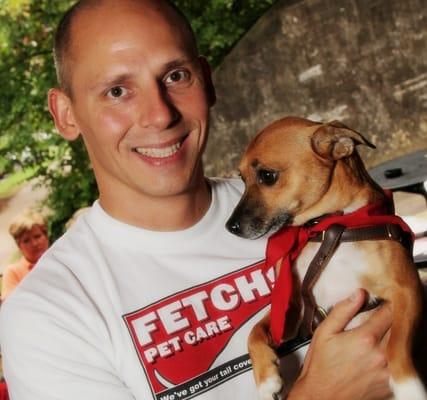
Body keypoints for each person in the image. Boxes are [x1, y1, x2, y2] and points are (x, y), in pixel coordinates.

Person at [0, 1, 393, 399]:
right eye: (117, 91)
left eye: (175, 76)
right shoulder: (48, 315)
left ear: (206, 80)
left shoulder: (301, 202)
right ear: (65, 114)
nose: (159, 115)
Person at [1, 210, 49, 301]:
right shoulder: (13, 272)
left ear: (46, 236)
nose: (34, 243)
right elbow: (10, 304)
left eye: (37, 236)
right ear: (19, 245)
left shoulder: (60, 261)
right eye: (26, 241)